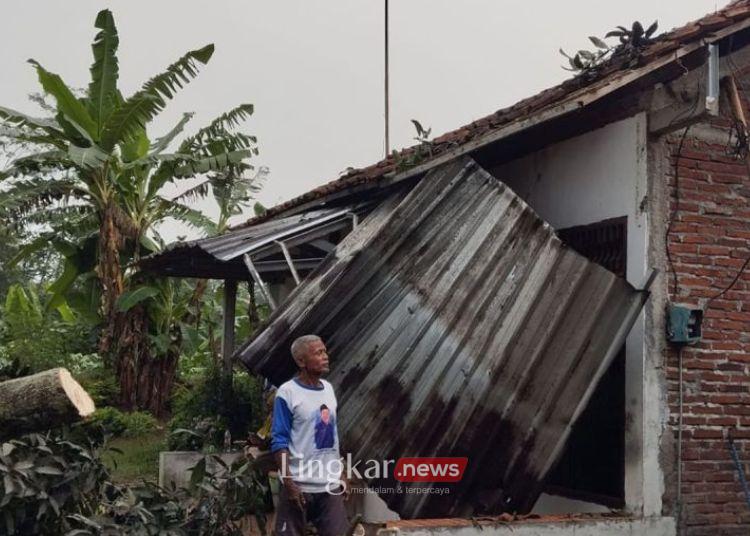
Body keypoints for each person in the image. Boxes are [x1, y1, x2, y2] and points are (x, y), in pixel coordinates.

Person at [271, 335, 349, 536]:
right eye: (318, 353)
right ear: (301, 361)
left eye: (325, 351)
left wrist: (340, 473)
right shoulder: (287, 392)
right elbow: (279, 441)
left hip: (329, 486)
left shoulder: (329, 389)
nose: (325, 356)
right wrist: (288, 483)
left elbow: (333, 435)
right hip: (298, 485)